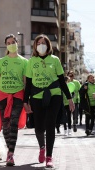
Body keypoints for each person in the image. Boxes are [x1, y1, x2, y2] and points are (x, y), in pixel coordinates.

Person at [23, 34, 75, 169]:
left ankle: (49, 157)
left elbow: (62, 82)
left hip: (54, 96)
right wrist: (25, 101)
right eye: (39, 43)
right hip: (37, 96)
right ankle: (42, 147)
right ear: (35, 46)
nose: (41, 45)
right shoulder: (31, 61)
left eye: (43, 43)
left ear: (48, 45)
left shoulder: (55, 60)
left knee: (50, 125)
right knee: (39, 127)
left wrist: (70, 99)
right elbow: (28, 84)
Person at [0, 34, 28, 166]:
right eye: (8, 42)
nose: (11, 44)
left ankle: (10, 154)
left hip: (17, 95)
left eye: (13, 42)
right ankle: (9, 149)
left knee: (13, 125)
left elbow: (25, 83)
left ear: (17, 43)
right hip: (2, 96)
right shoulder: (1, 61)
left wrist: (27, 100)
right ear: (6, 45)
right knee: (6, 126)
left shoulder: (24, 62)